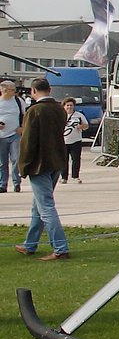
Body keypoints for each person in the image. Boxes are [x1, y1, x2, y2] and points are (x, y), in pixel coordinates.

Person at [15, 76, 69, 260]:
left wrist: (22, 165)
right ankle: (30, 244)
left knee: (45, 207)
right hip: (57, 161)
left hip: (39, 164)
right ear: (50, 90)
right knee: (38, 207)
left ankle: (60, 248)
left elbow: (27, 141)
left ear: (33, 91)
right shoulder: (60, 109)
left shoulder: (34, 110)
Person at [0, 80, 24, 192]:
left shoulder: (18, 101)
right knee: (2, 162)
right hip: (1, 136)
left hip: (15, 134)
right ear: (4, 91)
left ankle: (16, 182)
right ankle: (2, 184)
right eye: (13, 90)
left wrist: (22, 127)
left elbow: (25, 115)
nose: (15, 92)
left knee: (16, 159)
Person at [61, 97, 86, 183]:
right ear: (64, 106)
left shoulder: (79, 115)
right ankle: (64, 177)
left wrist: (81, 127)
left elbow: (86, 126)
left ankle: (75, 176)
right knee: (64, 160)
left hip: (76, 140)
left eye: (71, 105)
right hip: (63, 141)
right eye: (67, 105)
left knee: (76, 159)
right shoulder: (60, 115)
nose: (69, 107)